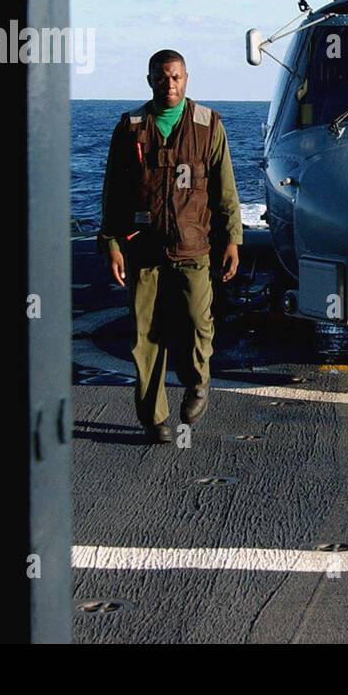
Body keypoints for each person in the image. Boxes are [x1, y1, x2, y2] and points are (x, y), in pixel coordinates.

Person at [98, 50, 242, 442]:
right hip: (143, 250)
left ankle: (198, 384)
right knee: (145, 335)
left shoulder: (208, 125)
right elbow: (114, 194)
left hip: (194, 247)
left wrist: (232, 238)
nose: (170, 84)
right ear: (150, 81)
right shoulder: (129, 128)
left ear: (186, 78)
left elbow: (224, 189)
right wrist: (111, 242)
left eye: (176, 77)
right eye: (162, 78)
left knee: (198, 322)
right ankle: (154, 418)